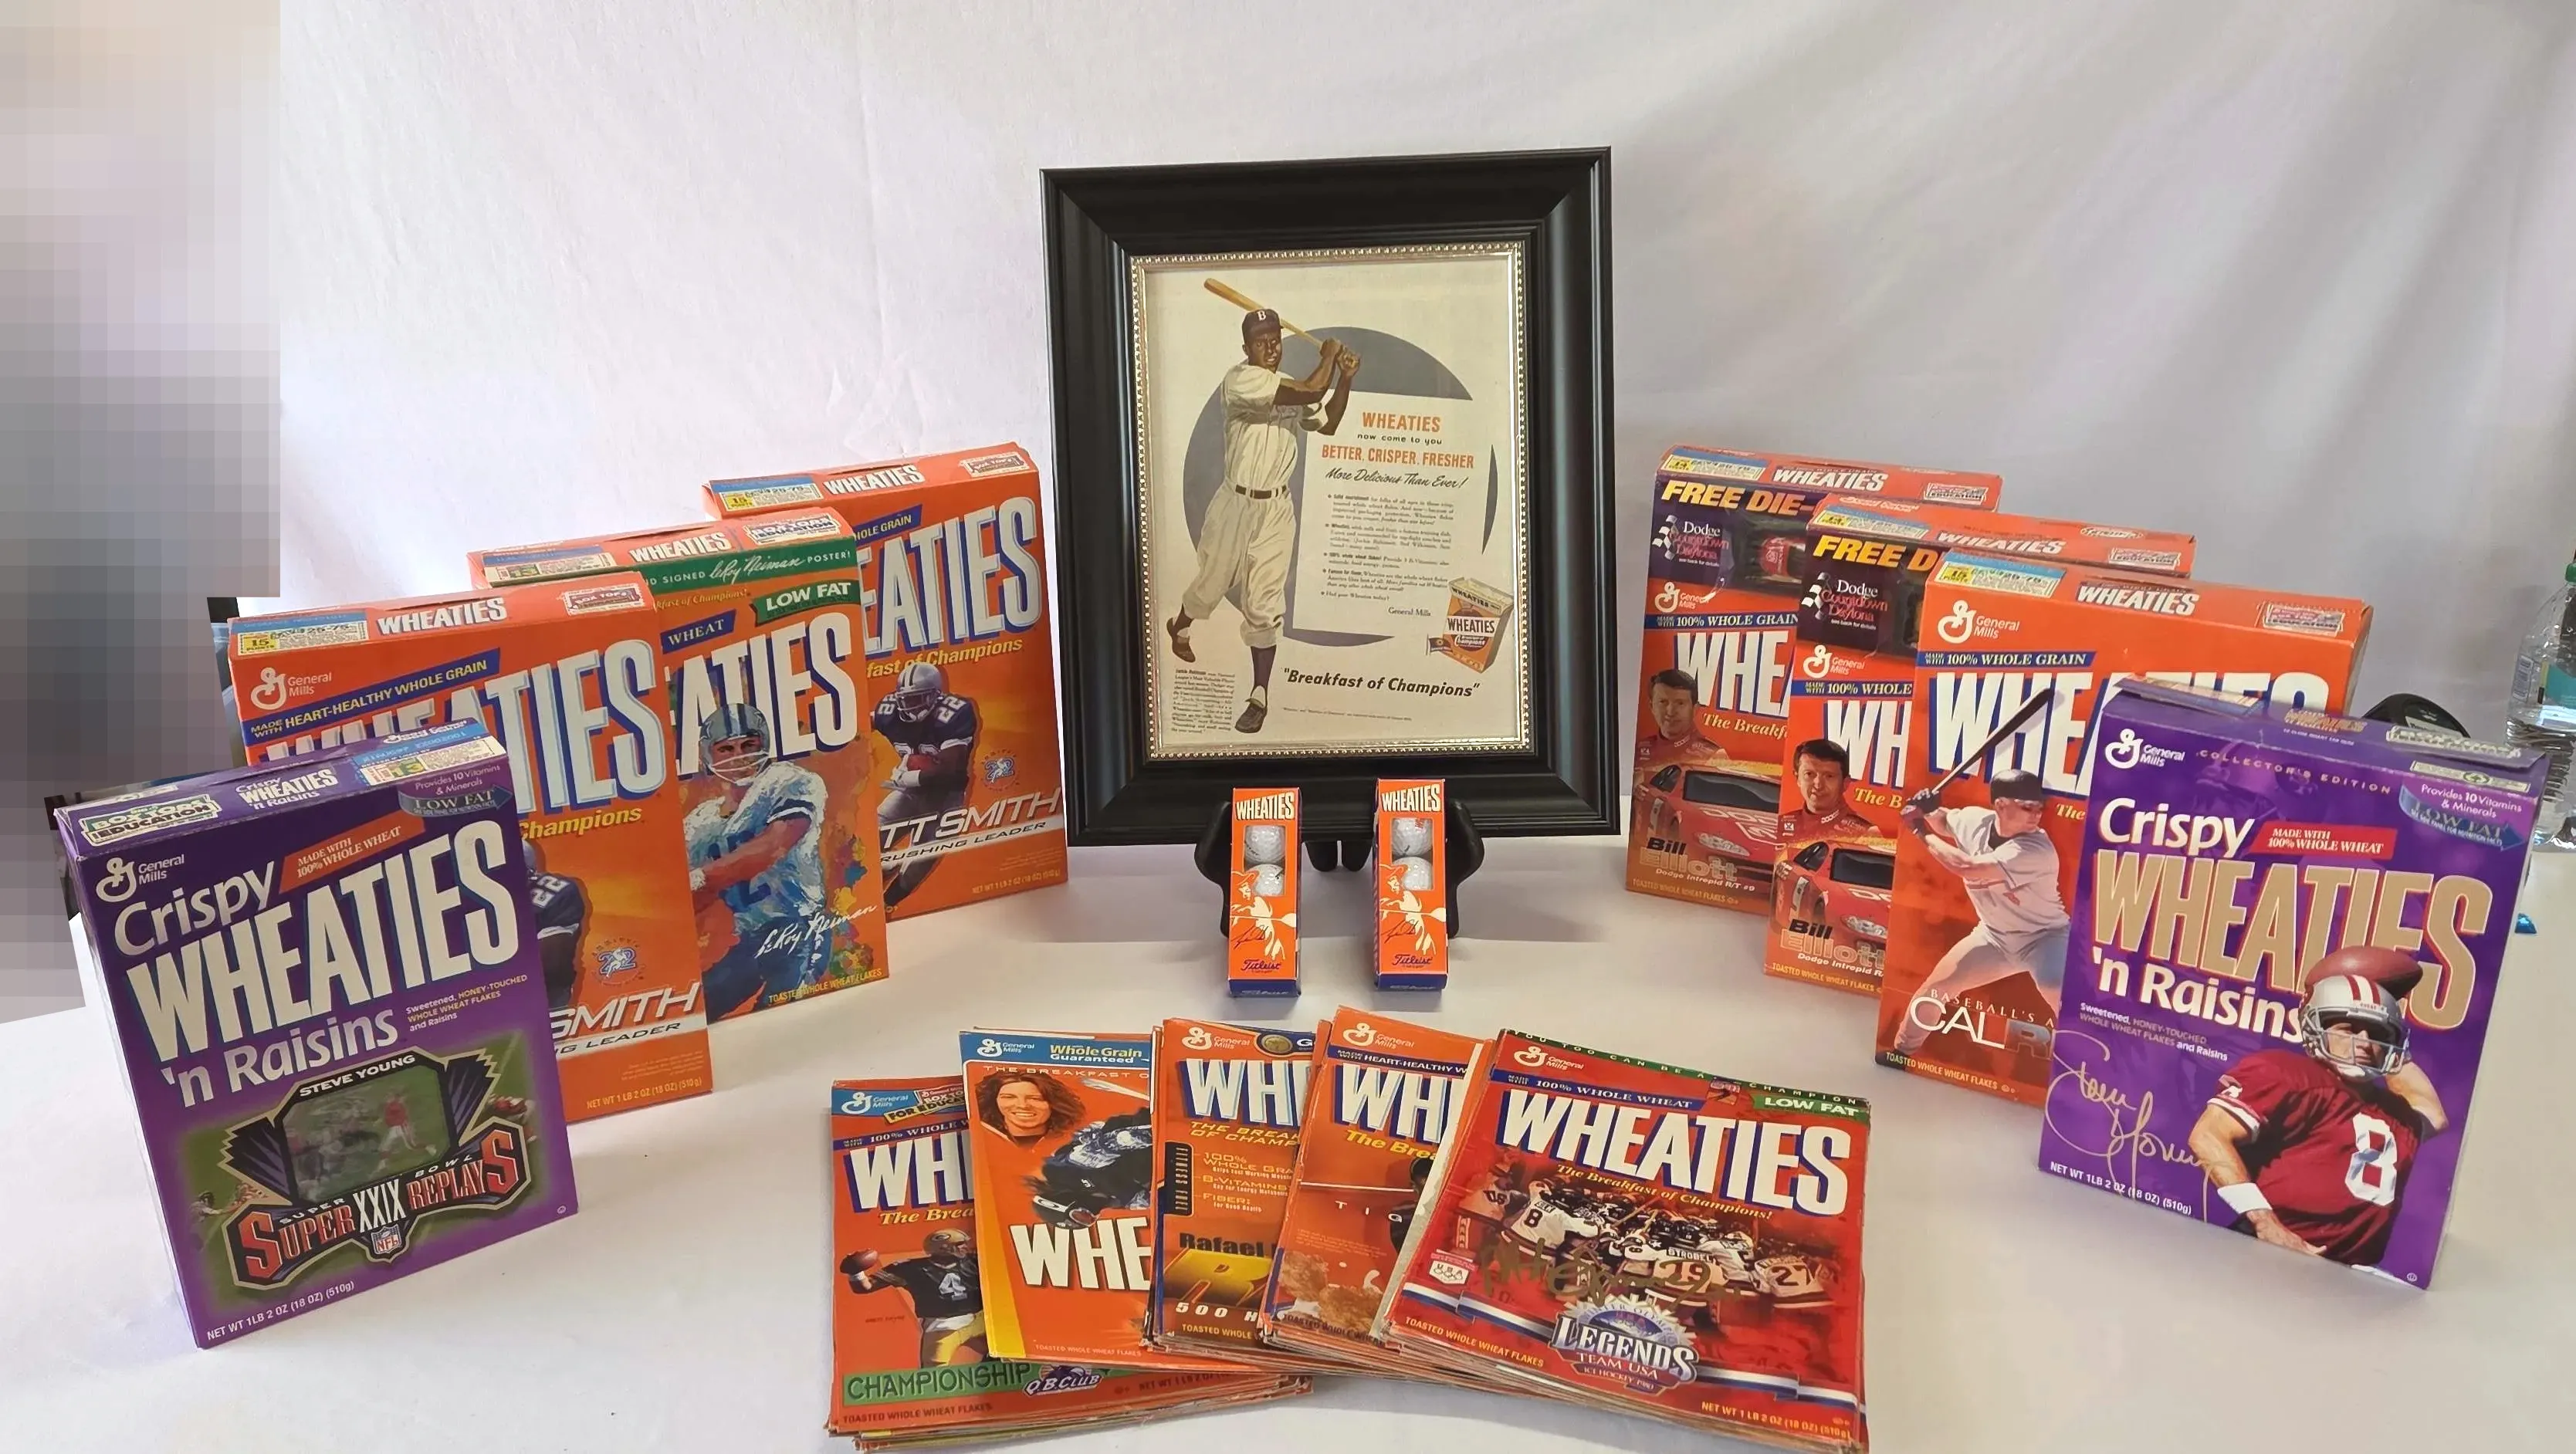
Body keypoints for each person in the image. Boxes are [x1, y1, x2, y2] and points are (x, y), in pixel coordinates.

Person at [2186, 948, 2448, 1266]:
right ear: (2315, 1026)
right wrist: (2265, 1223)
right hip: (2270, 1254)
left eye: (2378, 1034)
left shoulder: (2396, 1114)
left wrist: (2378, 1005)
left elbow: (2432, 1113)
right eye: (2348, 1029)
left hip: (2346, 1274)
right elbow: (2207, 1136)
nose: (2365, 1043)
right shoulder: (2289, 1074)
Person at [1165, 309, 1360, 733]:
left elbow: (1327, 423)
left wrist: (1344, 379)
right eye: (1260, 342)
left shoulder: (1290, 384)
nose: (1270, 347)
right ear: (1246, 348)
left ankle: (1259, 695)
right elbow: (1312, 390)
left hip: (1276, 511)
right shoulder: (1241, 381)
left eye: (1275, 339)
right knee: (1210, 586)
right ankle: (1179, 626)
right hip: (1235, 505)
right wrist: (1329, 355)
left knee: (1265, 606)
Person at [1889, 770, 2070, 1057]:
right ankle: (1900, 1052)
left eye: (2039, 807)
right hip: (1994, 937)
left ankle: (2092, 1068)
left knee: (2056, 990)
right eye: (2027, 807)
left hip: (2045, 938)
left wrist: (1919, 829)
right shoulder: (1974, 821)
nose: (2036, 814)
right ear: (2000, 805)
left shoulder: (2037, 850)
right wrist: (1929, 809)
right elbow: (1945, 822)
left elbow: (1967, 867)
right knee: (1934, 990)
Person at [688, 702, 836, 1020]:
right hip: (752, 939)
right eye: (726, 749)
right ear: (708, 755)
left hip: (800, 929)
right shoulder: (700, 822)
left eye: (748, 745)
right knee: (696, 1012)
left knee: (781, 1020)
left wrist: (700, 877)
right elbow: (695, 900)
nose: (739, 756)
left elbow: (774, 846)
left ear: (764, 744)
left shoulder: (789, 780)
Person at [871, 661, 976, 908]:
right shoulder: (889, 712)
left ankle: (887, 904)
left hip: (945, 799)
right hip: (909, 792)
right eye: (906, 699)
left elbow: (950, 771)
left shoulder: (954, 715)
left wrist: (910, 776)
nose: (910, 706)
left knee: (919, 862)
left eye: (917, 698)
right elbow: (860, 727)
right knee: (867, 841)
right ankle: (885, 866)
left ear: (935, 696)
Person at [842, 1229, 987, 1365]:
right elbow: (865, 1287)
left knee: (999, 1354)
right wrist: (855, 1272)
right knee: (934, 1373)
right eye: (959, 1244)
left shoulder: (974, 1261)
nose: (965, 1247)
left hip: (979, 1321)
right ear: (943, 1248)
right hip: (942, 1327)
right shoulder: (912, 1269)